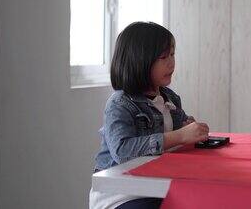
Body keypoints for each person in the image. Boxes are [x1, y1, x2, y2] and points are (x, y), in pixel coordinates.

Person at [89, 22, 209, 209]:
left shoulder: (170, 98)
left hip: (157, 187)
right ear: (139, 62)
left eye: (172, 54)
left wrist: (189, 129)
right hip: (122, 194)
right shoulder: (119, 103)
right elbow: (123, 151)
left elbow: (177, 141)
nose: (171, 62)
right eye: (163, 57)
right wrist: (180, 136)